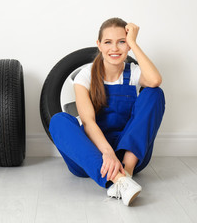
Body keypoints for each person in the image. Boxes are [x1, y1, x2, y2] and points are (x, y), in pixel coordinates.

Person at [49, 17, 165, 206]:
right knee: (59, 120)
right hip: (92, 158)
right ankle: (120, 182)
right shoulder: (85, 75)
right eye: (108, 42)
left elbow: (155, 80)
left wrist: (134, 42)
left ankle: (126, 173)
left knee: (154, 94)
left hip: (130, 156)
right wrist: (107, 154)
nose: (115, 48)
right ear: (99, 45)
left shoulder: (134, 73)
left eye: (122, 42)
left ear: (127, 46)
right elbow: (88, 122)